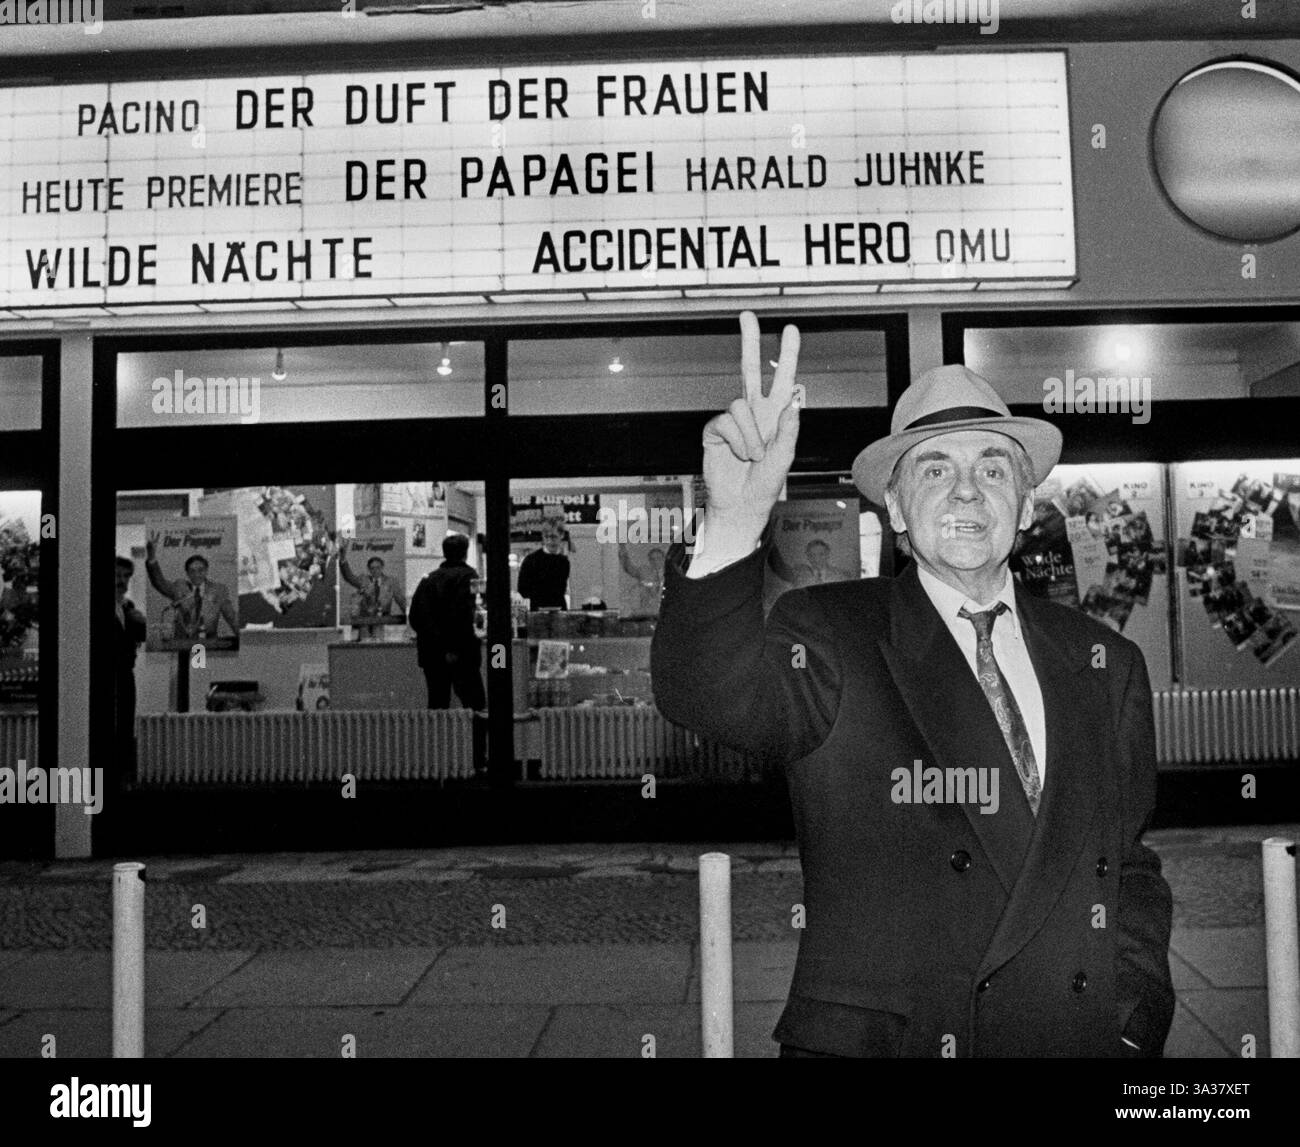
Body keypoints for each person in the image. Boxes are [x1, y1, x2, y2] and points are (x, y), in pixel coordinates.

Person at [651, 311, 1174, 1059]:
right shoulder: (832, 633)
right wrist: (736, 519)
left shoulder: (1105, 662)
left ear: (1026, 508)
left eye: (994, 469)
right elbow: (703, 692)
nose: (967, 492)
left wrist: (1131, 1020)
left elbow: (1127, 866)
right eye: (935, 469)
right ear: (894, 507)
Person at [408, 532, 485, 711]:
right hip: (464, 653)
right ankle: (477, 739)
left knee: (438, 704)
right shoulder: (470, 577)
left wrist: (438, 644)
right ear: (465, 553)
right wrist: (453, 648)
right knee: (475, 705)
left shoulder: (428, 580)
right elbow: (467, 615)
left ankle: (439, 739)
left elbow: (416, 617)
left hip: (432, 655)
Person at [145, 532, 238, 642]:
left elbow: (232, 618)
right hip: (182, 646)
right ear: (187, 573)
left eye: (200, 570)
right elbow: (159, 583)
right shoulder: (179, 587)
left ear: (206, 570)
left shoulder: (219, 590)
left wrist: (244, 642)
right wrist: (151, 557)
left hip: (208, 645)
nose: (197, 574)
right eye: (192, 571)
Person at [113, 557, 147, 784]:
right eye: (117, 575)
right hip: (104, 676)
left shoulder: (128, 607)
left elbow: (141, 639)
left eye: (126, 576)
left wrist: (143, 623)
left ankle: (121, 780)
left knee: (125, 725)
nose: (122, 581)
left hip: (125, 675)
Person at [338, 538, 408, 639]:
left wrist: (409, 617)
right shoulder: (363, 580)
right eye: (372, 568)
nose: (375, 570)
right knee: (364, 648)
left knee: (379, 647)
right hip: (364, 622)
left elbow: (401, 601)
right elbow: (349, 577)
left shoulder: (391, 582)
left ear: (382, 567)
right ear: (368, 569)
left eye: (378, 567)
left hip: (382, 622)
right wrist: (343, 558)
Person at [516, 519, 570, 610]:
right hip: (538, 610)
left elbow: (561, 589)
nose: (549, 541)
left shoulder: (564, 562)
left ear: (561, 535)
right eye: (546, 537)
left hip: (558, 609)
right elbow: (522, 589)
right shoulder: (531, 560)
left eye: (553, 537)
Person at [618, 544, 666, 614]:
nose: (655, 561)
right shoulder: (644, 572)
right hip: (646, 612)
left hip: (664, 612)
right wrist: (623, 549)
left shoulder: (670, 573)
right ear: (649, 560)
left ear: (663, 559)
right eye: (652, 559)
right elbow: (629, 568)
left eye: (658, 558)